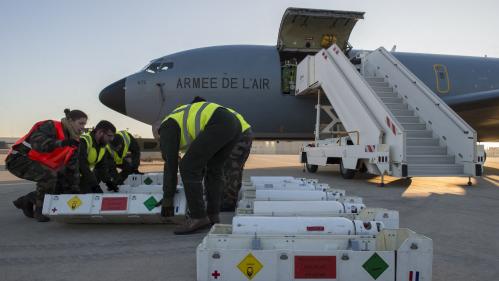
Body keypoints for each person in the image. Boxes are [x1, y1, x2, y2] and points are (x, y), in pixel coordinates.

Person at [159, 99, 241, 235]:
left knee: (186, 166)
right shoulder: (180, 121)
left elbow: (171, 165)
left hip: (218, 122)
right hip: (233, 124)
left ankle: (198, 217)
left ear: (158, 131)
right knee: (214, 169)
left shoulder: (166, 127)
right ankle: (213, 215)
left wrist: (168, 198)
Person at [8, 109, 86, 222]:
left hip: (37, 163)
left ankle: (27, 201)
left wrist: (74, 190)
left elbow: (72, 168)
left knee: (62, 184)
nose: (83, 127)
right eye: (81, 123)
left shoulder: (74, 142)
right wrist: (61, 143)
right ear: (70, 121)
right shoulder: (51, 126)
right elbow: (38, 143)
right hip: (19, 159)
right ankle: (40, 211)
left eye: (84, 124)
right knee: (50, 176)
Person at [79, 120, 118, 193]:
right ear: (100, 132)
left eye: (113, 136)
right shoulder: (83, 141)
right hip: (70, 178)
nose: (111, 139)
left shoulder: (102, 146)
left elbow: (102, 166)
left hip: (84, 176)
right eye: (109, 136)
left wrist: (108, 182)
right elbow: (82, 165)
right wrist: (94, 185)